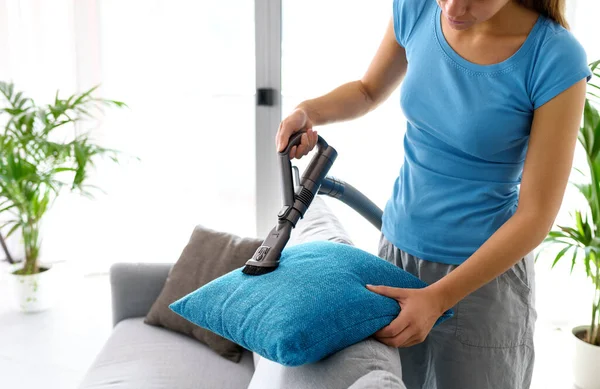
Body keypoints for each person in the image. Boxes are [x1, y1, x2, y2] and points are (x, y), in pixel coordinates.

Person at [275, 0, 593, 388]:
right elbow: (367, 90)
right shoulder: (417, 7)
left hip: (481, 284)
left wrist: (441, 298)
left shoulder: (554, 57)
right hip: (394, 261)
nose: (454, 8)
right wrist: (309, 112)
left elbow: (536, 215)